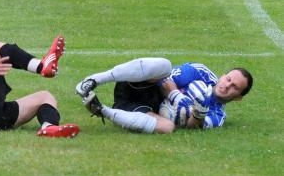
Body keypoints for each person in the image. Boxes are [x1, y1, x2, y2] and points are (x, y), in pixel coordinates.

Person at [75, 58, 253, 133]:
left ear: (238, 97)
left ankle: (101, 109)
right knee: (164, 65)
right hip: (139, 84)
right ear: (223, 75)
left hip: (142, 110)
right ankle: (93, 80)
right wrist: (176, 96)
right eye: (228, 79)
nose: (226, 85)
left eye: (234, 87)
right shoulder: (201, 72)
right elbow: (165, 80)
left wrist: (199, 113)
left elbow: (192, 127)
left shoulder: (218, 116)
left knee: (168, 128)